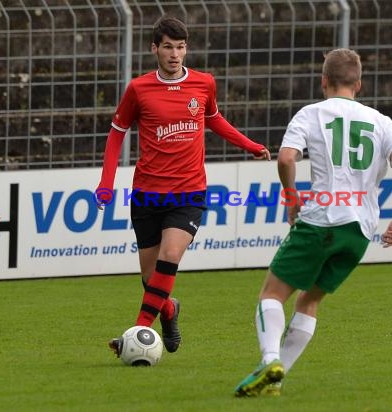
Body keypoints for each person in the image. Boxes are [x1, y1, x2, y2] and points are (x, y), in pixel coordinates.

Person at [233, 48, 392, 397]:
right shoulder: (381, 121)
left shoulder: (311, 114)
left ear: (323, 80)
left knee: (272, 293)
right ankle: (275, 380)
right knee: (309, 302)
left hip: (320, 219)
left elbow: (286, 158)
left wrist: (291, 195)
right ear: (358, 83)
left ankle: (270, 358)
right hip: (359, 229)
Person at [95, 15, 271, 356]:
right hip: (147, 193)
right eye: (167, 47)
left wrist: (249, 145)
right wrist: (106, 184)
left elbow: (214, 118)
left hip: (188, 191)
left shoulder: (204, 84)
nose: (175, 54)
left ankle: (137, 332)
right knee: (152, 280)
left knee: (170, 255)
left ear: (186, 49)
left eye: (180, 47)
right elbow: (117, 134)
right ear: (154, 49)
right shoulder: (138, 89)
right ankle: (170, 310)